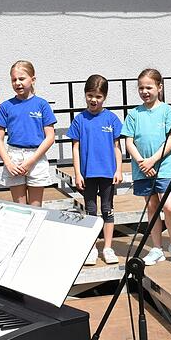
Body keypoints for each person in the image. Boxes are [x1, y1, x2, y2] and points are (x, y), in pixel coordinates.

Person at [123, 69, 171, 266]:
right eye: (141, 87)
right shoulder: (134, 114)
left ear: (159, 87)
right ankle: (156, 247)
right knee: (151, 207)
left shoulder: (168, 111)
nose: (145, 91)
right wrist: (143, 162)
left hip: (163, 167)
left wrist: (153, 160)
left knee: (168, 206)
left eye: (149, 87)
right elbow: (129, 142)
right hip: (142, 169)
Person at [67, 74, 123, 265]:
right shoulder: (79, 120)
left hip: (107, 173)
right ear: (85, 95)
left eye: (98, 96)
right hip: (87, 174)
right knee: (90, 211)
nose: (93, 100)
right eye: (90, 95)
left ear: (104, 97)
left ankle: (108, 247)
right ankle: (91, 248)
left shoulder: (111, 119)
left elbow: (117, 146)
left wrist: (119, 170)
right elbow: (75, 148)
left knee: (108, 210)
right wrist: (77, 173)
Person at [0, 60, 56, 206]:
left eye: (21, 79)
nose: (17, 83)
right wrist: (8, 163)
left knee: (36, 206)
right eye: (14, 80)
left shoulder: (42, 104)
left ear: (32, 79)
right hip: (13, 156)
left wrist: (31, 161)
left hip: (36, 156)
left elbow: (50, 137)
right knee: (19, 206)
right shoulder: (6, 106)